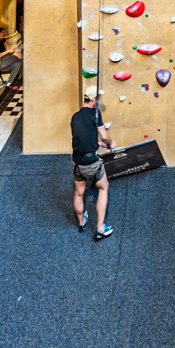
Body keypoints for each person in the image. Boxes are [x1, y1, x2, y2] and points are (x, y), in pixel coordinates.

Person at [71, 85, 117, 241]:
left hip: (77, 162)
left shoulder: (75, 117)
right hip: (91, 163)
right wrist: (110, 144)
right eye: (97, 98)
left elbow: (83, 138)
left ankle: (82, 222)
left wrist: (99, 145)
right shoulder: (96, 114)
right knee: (103, 188)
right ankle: (100, 228)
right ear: (92, 99)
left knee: (78, 193)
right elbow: (104, 136)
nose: (98, 101)